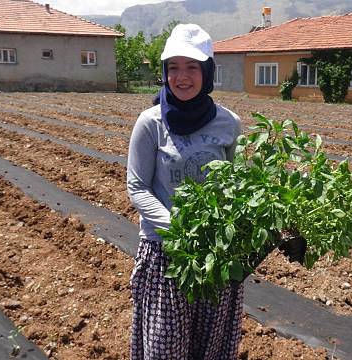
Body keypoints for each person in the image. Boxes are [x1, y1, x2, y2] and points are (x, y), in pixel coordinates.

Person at [126, 23, 243, 360]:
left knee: (211, 347)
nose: (182, 76)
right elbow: (137, 187)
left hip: (214, 255)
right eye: (174, 67)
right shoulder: (150, 123)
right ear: (164, 72)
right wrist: (178, 230)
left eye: (192, 66)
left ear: (207, 72)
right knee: (167, 349)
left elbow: (236, 185)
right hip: (167, 255)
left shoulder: (228, 123)